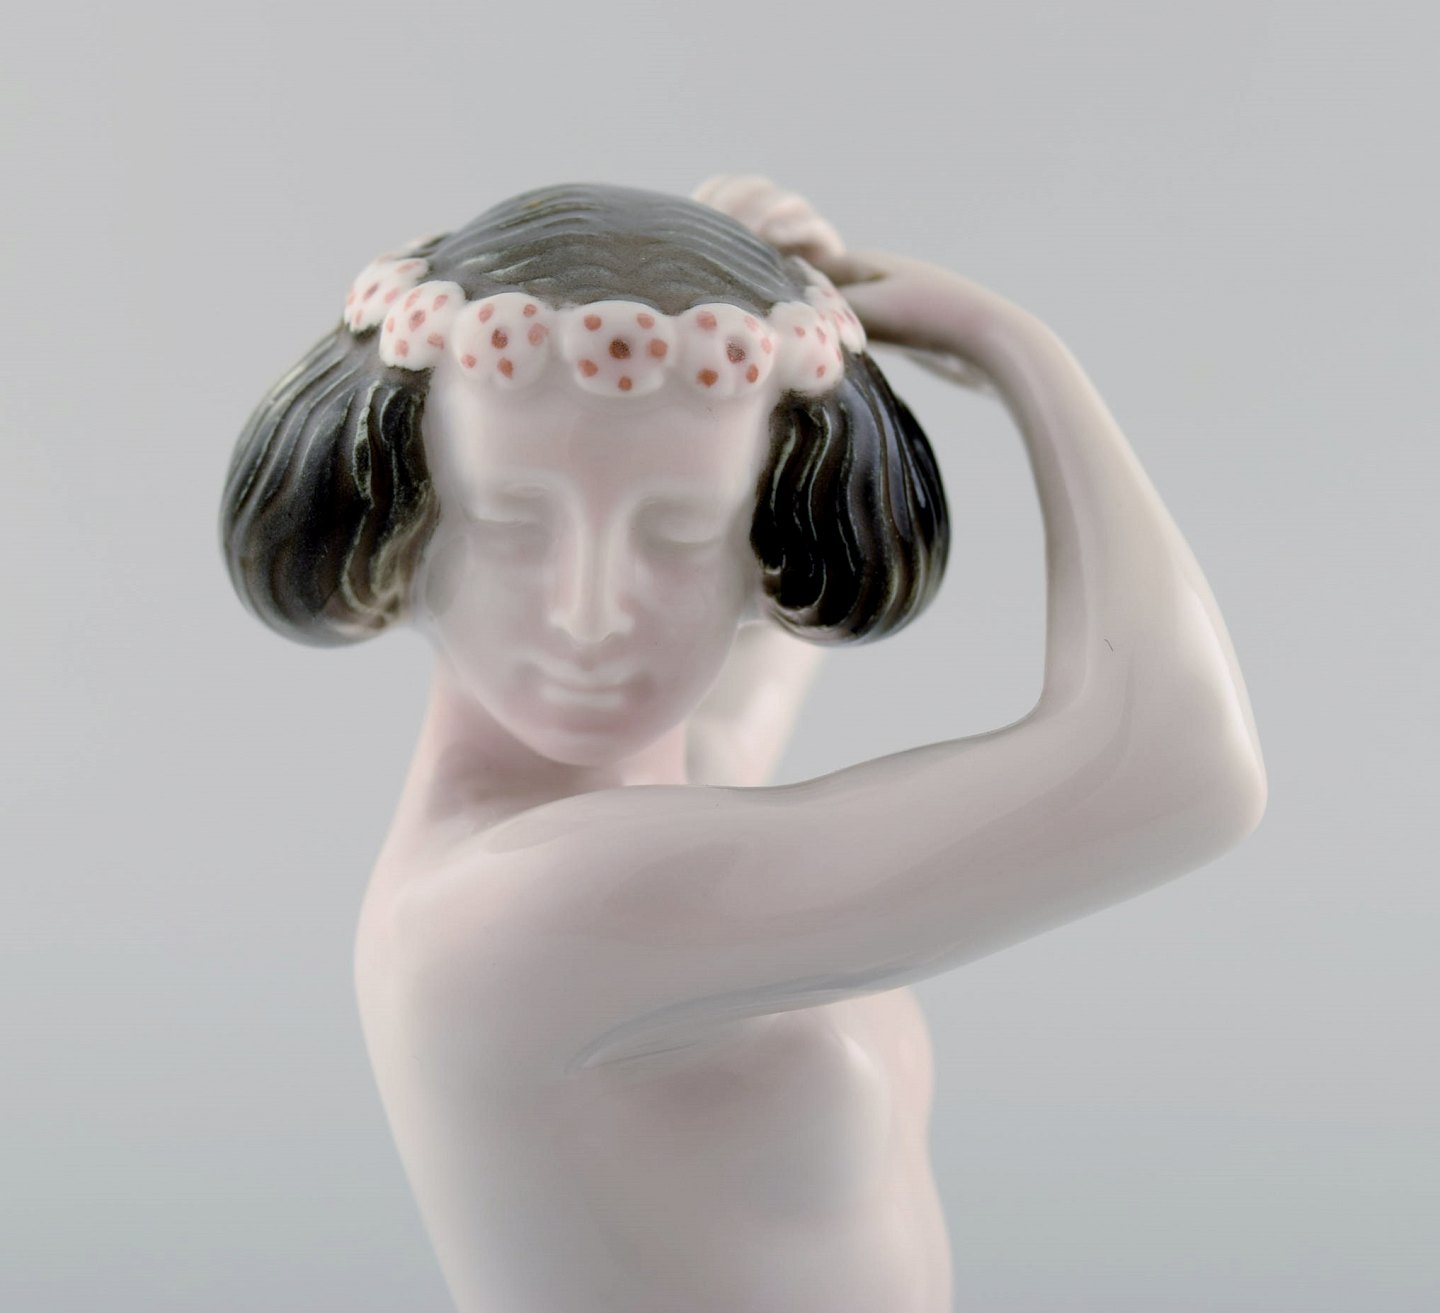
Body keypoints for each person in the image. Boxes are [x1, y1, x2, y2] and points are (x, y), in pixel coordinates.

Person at [221, 178, 1266, 1313]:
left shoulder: (646, 819)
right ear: (400, 520)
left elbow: (756, 678)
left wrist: (785, 319)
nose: (589, 612)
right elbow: (1181, 767)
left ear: (759, 541)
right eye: (515, 521)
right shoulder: (520, 910)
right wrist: (1020, 354)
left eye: (678, 532)